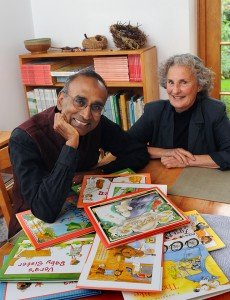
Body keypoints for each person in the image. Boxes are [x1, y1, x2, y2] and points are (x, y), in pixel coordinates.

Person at [9, 69, 149, 238]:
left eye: (96, 107)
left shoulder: (97, 124)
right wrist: (71, 144)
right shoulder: (24, 138)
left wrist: (97, 172)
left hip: (83, 208)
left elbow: (138, 152)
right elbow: (44, 211)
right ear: (61, 100)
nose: (86, 114)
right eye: (79, 101)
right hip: (32, 225)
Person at [128, 53, 230, 170]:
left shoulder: (214, 111)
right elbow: (126, 145)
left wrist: (186, 161)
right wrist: (166, 152)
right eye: (171, 82)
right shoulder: (154, 111)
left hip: (203, 181)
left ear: (199, 86)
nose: (175, 91)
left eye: (183, 82)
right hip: (165, 177)